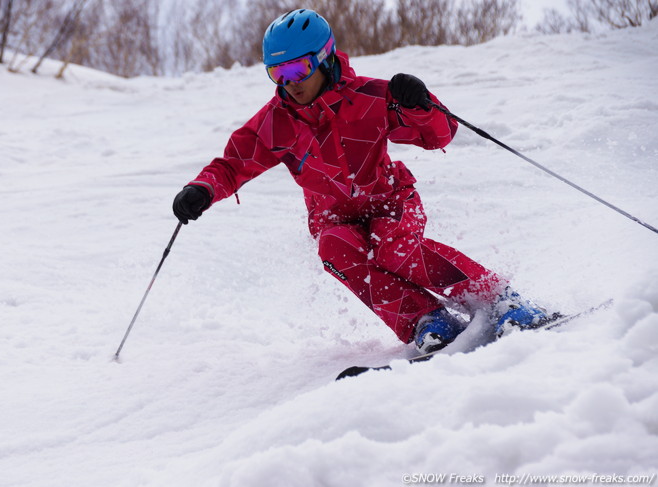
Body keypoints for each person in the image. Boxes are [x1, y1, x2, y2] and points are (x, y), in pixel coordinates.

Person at [173, 9, 551, 353]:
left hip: (390, 201)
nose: (290, 83)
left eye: (298, 70)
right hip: (333, 217)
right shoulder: (275, 123)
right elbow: (231, 165)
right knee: (333, 248)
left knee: (392, 249)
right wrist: (202, 190)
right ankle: (425, 318)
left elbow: (439, 134)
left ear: (324, 57)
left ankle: (500, 300)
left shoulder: (370, 98)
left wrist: (419, 104)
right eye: (278, 74)